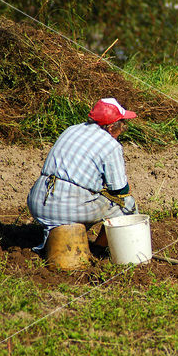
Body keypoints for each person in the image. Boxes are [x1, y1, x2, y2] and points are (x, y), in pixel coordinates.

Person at [27, 97, 138, 253]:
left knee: (88, 197)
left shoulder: (72, 129)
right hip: (65, 207)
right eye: (122, 126)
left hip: (37, 201)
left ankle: (59, 239)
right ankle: (98, 250)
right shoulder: (111, 144)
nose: (122, 131)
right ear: (112, 127)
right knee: (127, 205)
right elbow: (119, 190)